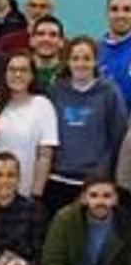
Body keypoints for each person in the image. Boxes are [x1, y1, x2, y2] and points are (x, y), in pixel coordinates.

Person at [48, 37, 127, 219]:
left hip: (95, 182)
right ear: (67, 61)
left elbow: (118, 136)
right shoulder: (56, 91)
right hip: (58, 179)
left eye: (86, 58)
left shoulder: (109, 92)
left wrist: (105, 172)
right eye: (75, 58)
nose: (81, 64)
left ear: (96, 61)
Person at [0, 53, 59, 199]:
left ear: (32, 76)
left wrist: (36, 194)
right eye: (12, 69)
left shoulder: (43, 105)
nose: (17, 74)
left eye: (23, 70)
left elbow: (45, 155)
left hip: (25, 192)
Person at [99, 0, 131, 109]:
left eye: (127, 9)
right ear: (107, 13)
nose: (120, 15)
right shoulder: (94, 52)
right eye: (114, 9)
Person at [29, 15, 66, 91]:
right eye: (40, 34)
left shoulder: (69, 75)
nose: (46, 39)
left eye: (53, 35)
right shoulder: (21, 73)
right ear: (32, 40)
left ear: (61, 42)